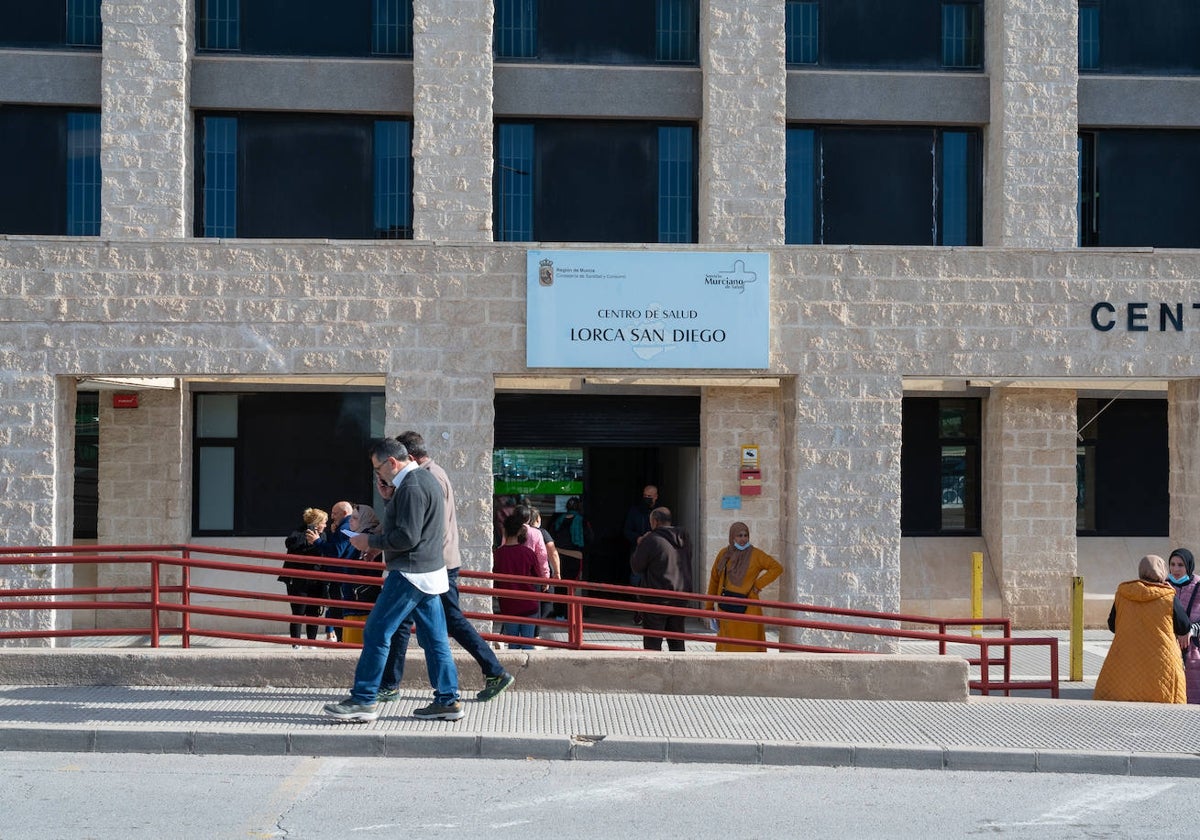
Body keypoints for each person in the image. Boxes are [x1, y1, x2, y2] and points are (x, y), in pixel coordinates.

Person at [323, 439, 462, 722]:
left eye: (378, 468)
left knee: (376, 631)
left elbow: (407, 537)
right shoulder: (426, 479)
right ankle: (447, 700)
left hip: (410, 573)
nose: (378, 475)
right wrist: (387, 502)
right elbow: (413, 528)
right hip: (430, 572)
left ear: (392, 462)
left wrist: (369, 540)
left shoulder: (410, 486)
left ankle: (364, 699)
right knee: (435, 640)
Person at [376, 431, 516, 703]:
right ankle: (391, 684)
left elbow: (420, 525)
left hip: (430, 565)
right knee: (407, 623)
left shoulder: (426, 478)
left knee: (443, 621)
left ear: (410, 457)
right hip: (431, 564)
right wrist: (388, 499)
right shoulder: (427, 475)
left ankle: (493, 672)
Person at [1093, 554, 1188, 704]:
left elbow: (1112, 625)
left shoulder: (1123, 594)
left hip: (1125, 661)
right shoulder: (1168, 597)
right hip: (1162, 665)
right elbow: (1184, 627)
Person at [706, 522, 783, 653]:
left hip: (748, 608)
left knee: (747, 645)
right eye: (739, 536)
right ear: (732, 537)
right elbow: (714, 580)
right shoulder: (724, 554)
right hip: (726, 608)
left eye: (745, 535)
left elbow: (777, 568)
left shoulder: (756, 555)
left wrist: (758, 585)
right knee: (727, 644)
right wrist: (709, 606)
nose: (743, 539)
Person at [629, 507, 694, 651]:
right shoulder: (684, 537)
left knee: (652, 645)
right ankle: (679, 672)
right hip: (680, 598)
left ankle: (653, 673)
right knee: (677, 643)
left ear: (655, 521)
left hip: (656, 599)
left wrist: (641, 544)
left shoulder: (651, 540)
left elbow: (636, 566)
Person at [492, 511, 543, 648]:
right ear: (521, 531)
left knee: (513, 645)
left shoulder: (498, 554)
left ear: (504, 530)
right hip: (529, 604)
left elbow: (495, 580)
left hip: (508, 605)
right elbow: (538, 578)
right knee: (528, 644)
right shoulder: (528, 553)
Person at [279, 507, 328, 646]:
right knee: (298, 612)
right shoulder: (298, 533)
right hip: (298, 581)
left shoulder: (323, 536)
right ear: (317, 522)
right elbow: (290, 543)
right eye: (324, 522)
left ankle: (312, 642)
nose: (325, 525)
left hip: (317, 580)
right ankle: (296, 643)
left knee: (314, 613)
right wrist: (308, 532)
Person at [1167, 547, 1200, 703]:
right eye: (1172, 564)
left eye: (1180, 565)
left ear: (1188, 565)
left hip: (1194, 650)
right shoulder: (1163, 586)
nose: (1175, 569)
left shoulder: (1198, 587)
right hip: (1169, 647)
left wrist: (1190, 631)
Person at [623, 485, 659, 625]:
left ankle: (651, 613)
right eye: (645, 496)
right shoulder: (635, 511)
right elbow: (627, 530)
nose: (647, 499)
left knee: (654, 583)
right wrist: (637, 538)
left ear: (656, 496)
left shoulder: (660, 513)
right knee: (636, 581)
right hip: (638, 551)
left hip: (656, 554)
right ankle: (638, 611)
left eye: (650, 496)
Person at [320, 500, 356, 641]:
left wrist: (318, 542)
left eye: (335, 513)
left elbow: (337, 550)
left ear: (345, 513)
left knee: (337, 609)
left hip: (339, 575)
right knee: (338, 608)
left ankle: (341, 639)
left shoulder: (344, 527)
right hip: (345, 574)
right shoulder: (349, 526)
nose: (332, 516)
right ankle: (341, 637)